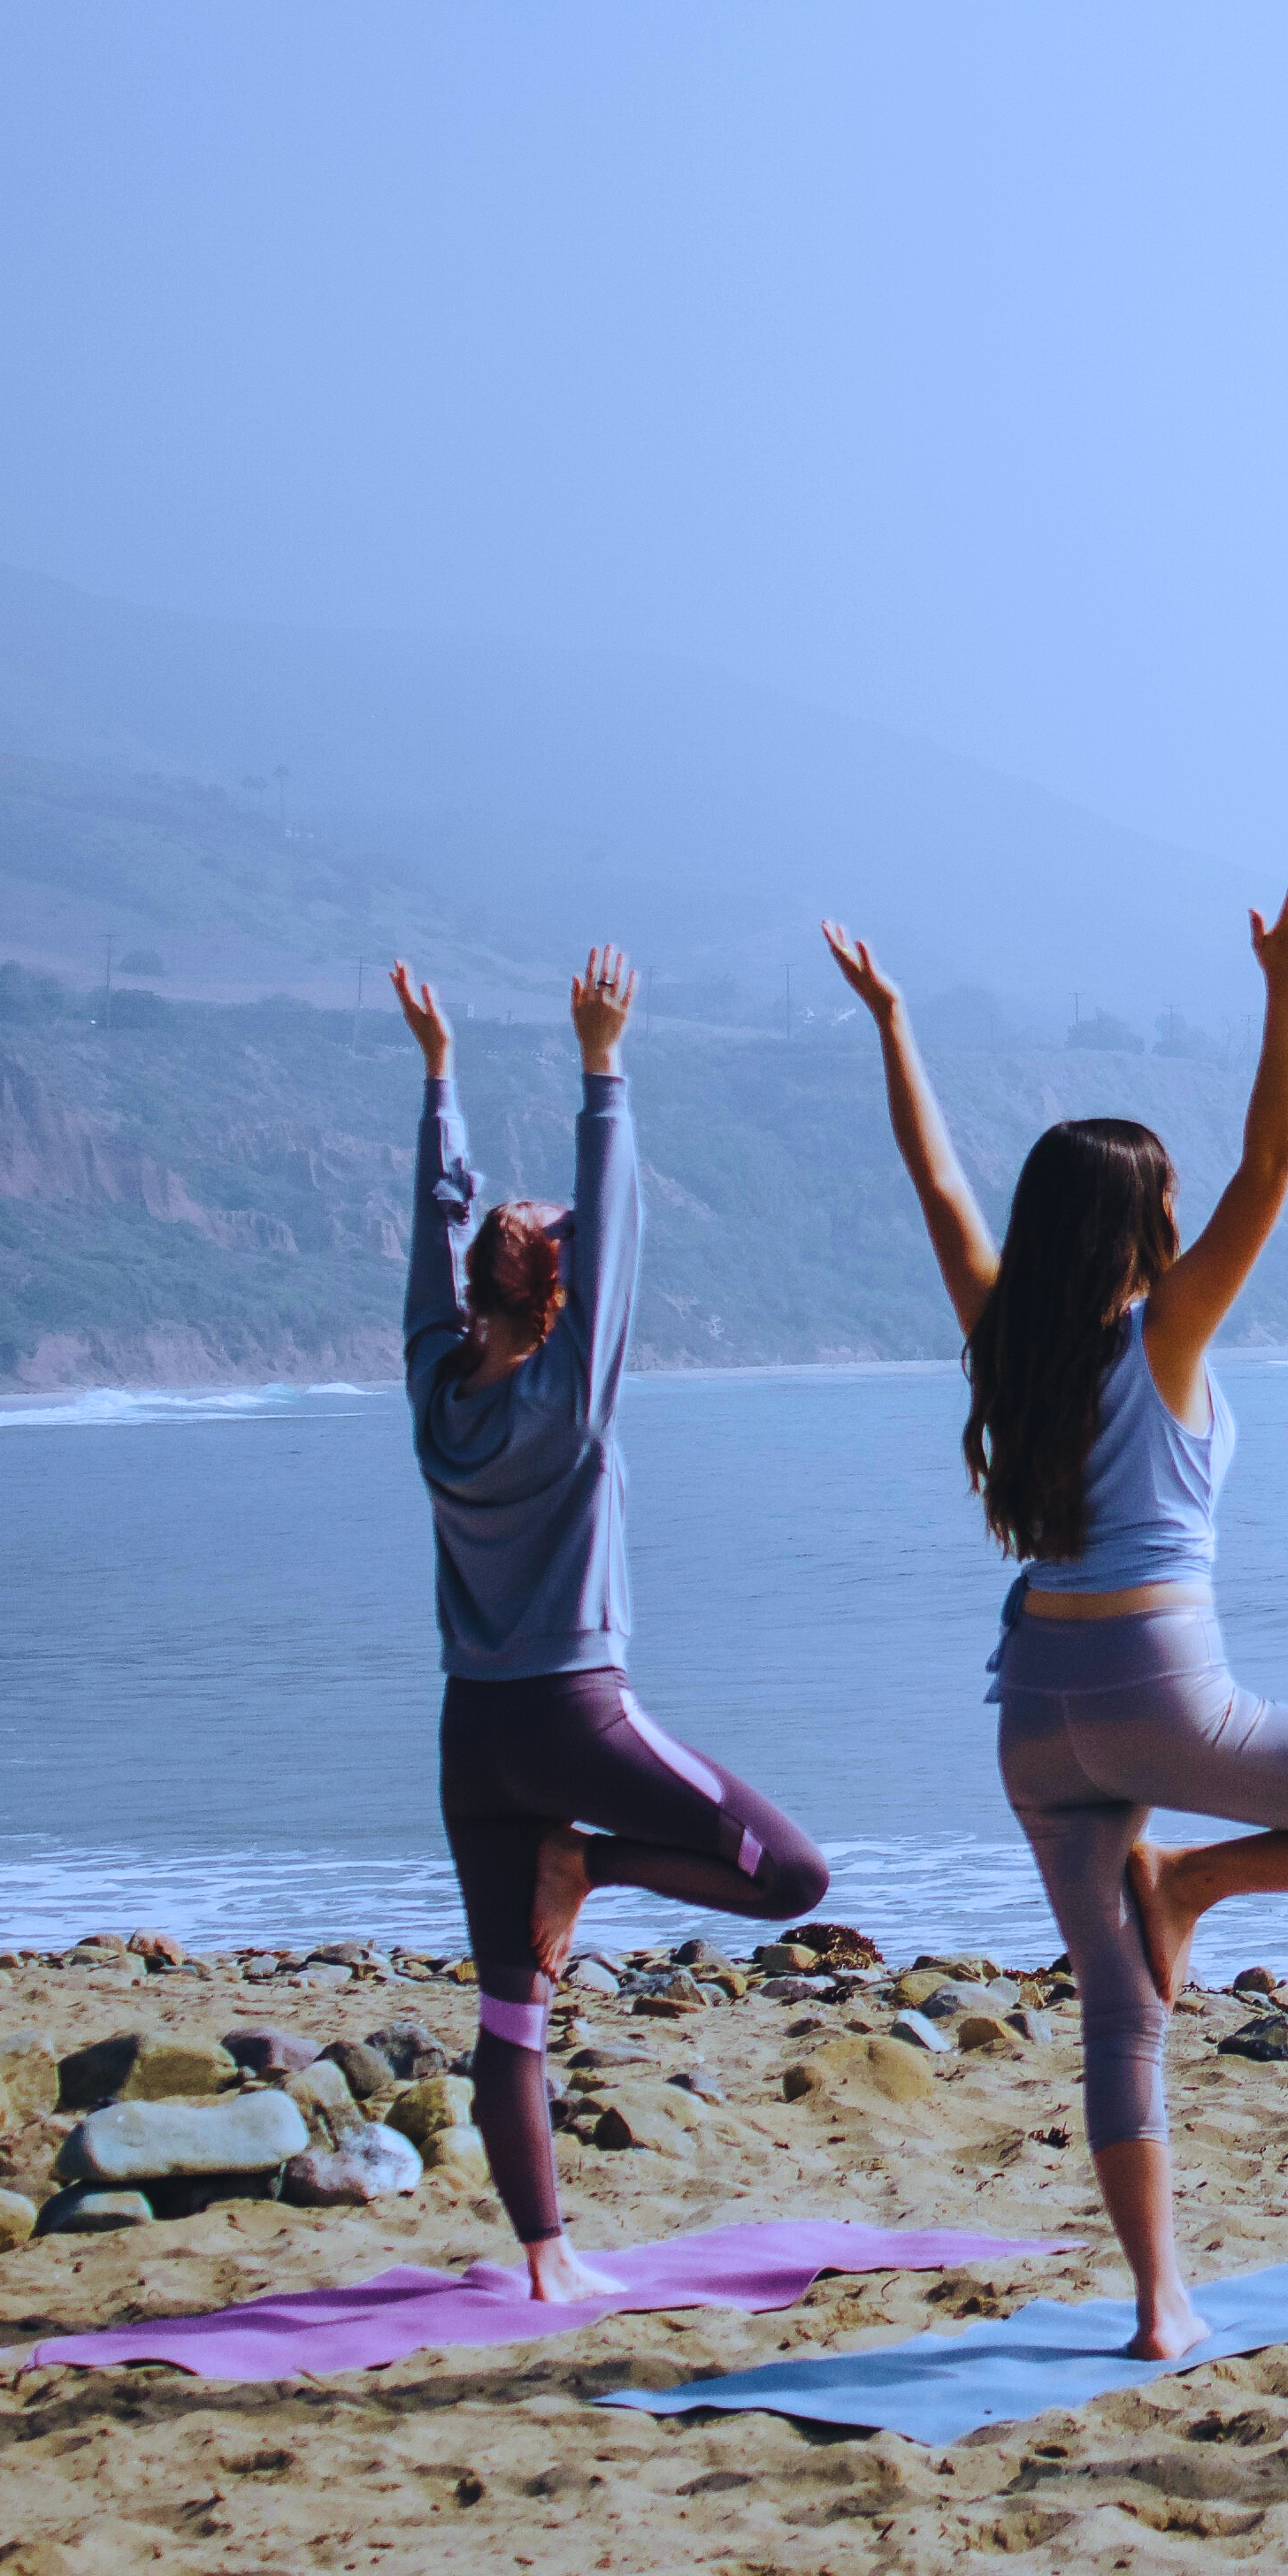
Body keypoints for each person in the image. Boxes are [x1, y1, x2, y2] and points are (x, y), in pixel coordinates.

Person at [825, 883, 1288, 2360]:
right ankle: (1195, 1883)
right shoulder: (1167, 1331)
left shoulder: (1003, 1336)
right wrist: (1287, 987)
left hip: (1031, 1723)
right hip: (1161, 1697)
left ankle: (1158, 2304)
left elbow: (936, 1188)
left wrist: (892, 1024)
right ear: (1145, 1220)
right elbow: (1278, 1162)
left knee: (1118, 2020)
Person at [397, 947, 833, 2303]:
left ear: (475, 1292)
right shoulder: (573, 1396)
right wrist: (602, 1064)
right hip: (579, 1721)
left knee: (507, 2009)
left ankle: (545, 2259)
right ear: (565, 1301)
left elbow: (431, 1227)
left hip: (475, 1736)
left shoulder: (432, 1384)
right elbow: (618, 1213)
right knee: (791, 1877)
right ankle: (591, 1871)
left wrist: (442, 1082)